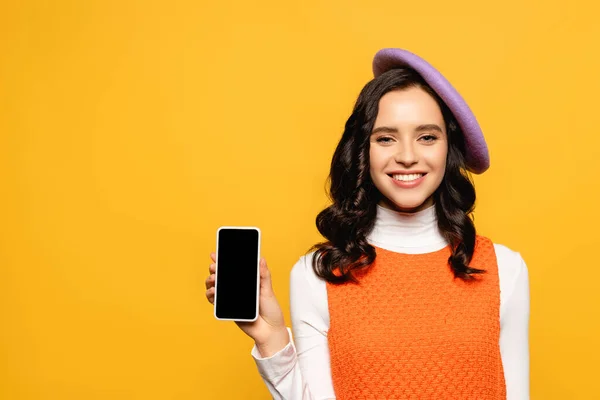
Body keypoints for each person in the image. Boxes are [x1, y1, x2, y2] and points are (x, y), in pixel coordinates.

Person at [205, 48, 530, 399]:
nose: (407, 156)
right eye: (386, 137)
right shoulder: (318, 273)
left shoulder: (505, 269)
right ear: (363, 150)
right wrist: (270, 339)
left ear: (449, 148)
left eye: (427, 137)